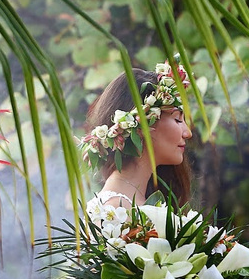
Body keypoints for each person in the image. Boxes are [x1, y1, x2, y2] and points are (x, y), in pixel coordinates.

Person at [79, 60, 193, 211]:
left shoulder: (134, 202)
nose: (188, 133)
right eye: (178, 119)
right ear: (140, 126)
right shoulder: (115, 209)